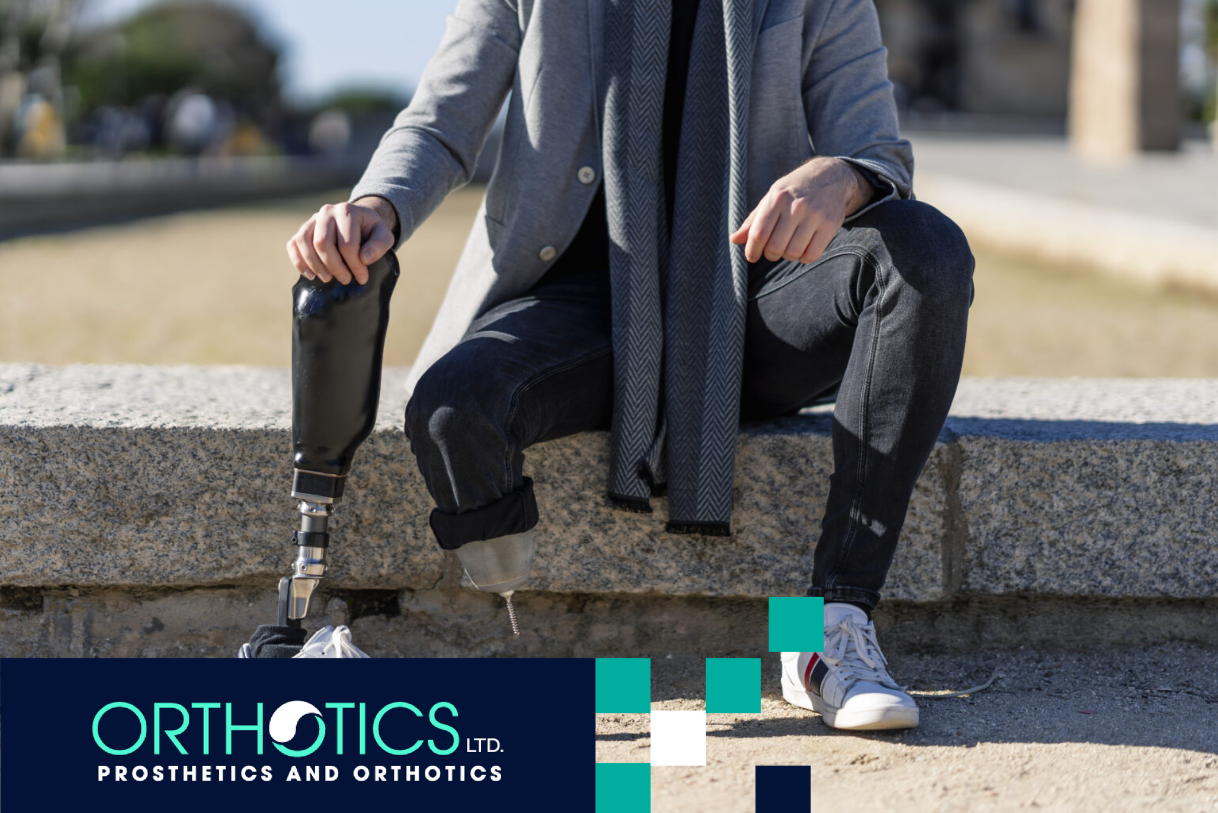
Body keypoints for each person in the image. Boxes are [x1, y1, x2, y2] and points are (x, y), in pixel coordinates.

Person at [286, 0, 973, 731]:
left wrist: (840, 178)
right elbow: (441, 120)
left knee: (924, 249)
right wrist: (375, 206)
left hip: (749, 301)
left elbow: (877, 153)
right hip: (577, 307)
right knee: (455, 408)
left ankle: (827, 634)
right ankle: (511, 636)